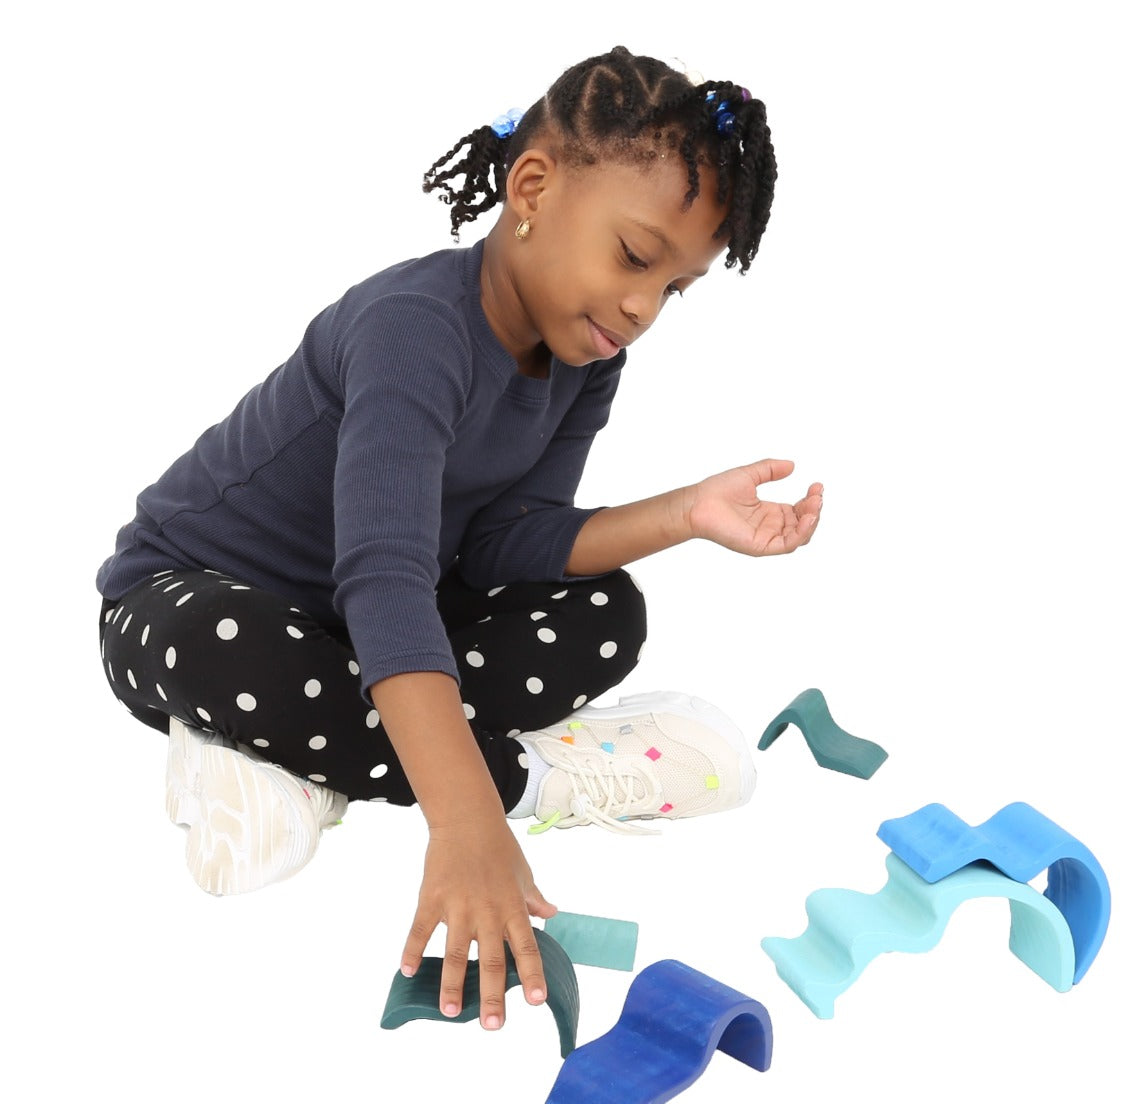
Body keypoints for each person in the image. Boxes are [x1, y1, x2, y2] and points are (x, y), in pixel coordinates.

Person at [96, 45, 823, 1033]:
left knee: (604, 610)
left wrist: (684, 513)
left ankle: (296, 765)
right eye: (634, 257)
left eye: (675, 289)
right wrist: (471, 824)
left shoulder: (587, 357)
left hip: (372, 625)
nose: (643, 307)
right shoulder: (414, 328)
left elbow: (502, 547)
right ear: (533, 189)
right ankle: (528, 777)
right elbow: (384, 576)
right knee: (224, 645)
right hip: (196, 599)